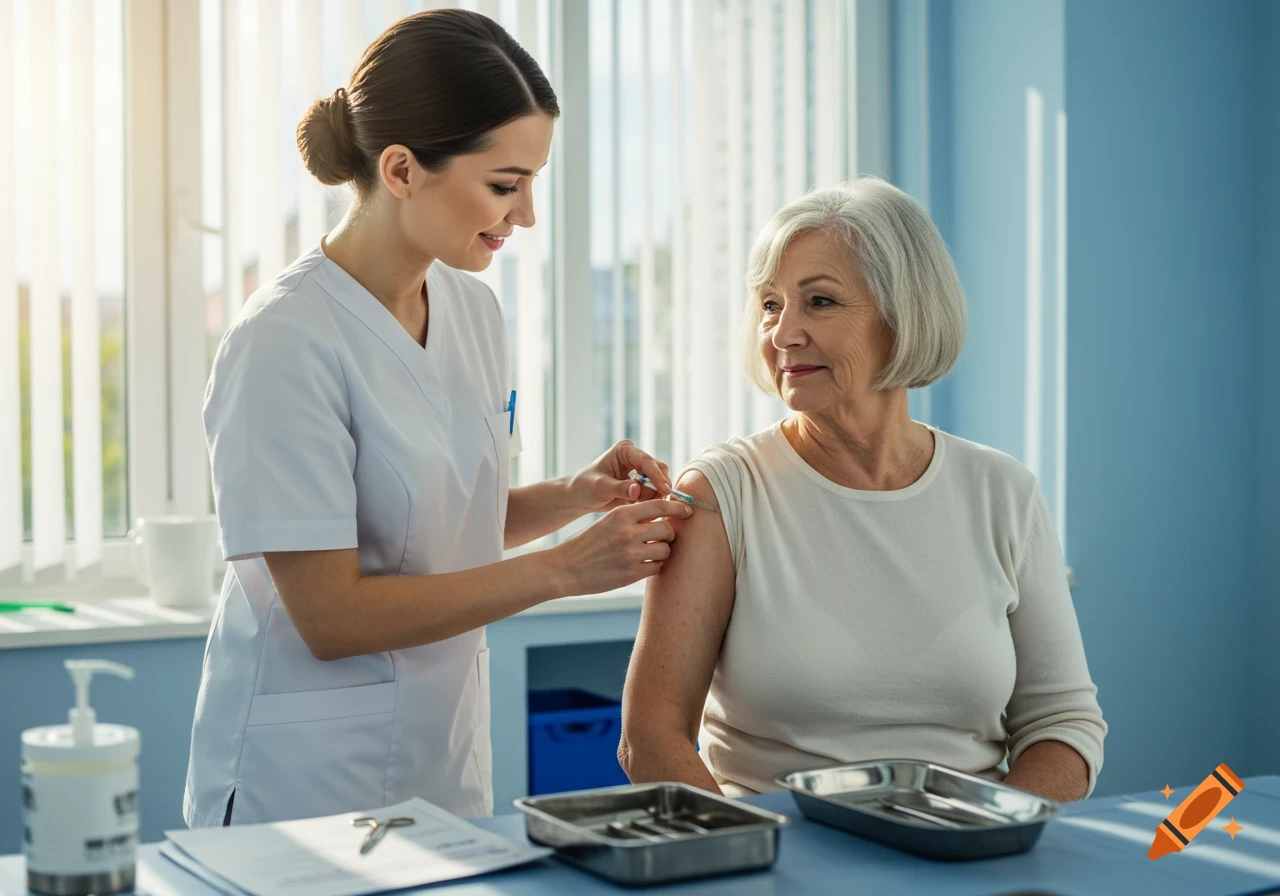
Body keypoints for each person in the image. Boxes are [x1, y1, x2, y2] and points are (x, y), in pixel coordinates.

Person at [185, 9, 690, 828]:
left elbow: (447, 526)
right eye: (504, 184)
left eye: (532, 183)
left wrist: (572, 495)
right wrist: (565, 569)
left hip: (444, 761)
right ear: (400, 168)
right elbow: (330, 614)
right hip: (306, 782)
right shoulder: (283, 339)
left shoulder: (473, 309)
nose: (525, 216)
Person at [618, 178, 1106, 803]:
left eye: (818, 302)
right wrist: (756, 860)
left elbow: (1063, 727)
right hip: (782, 860)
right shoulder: (721, 493)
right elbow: (651, 739)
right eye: (770, 304)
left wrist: (984, 837)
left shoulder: (1002, 492)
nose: (782, 333)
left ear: (903, 314)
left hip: (964, 857)